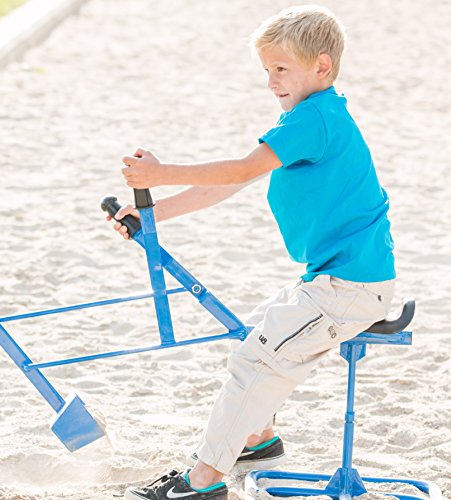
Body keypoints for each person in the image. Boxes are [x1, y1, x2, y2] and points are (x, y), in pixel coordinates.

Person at [109, 5, 396, 500]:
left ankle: (202, 483)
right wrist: (152, 215)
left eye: (281, 68)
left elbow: (241, 170)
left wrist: (161, 173)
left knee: (257, 360)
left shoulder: (316, 118)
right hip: (332, 281)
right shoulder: (308, 117)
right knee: (254, 337)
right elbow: (231, 183)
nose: (271, 81)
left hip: (350, 287)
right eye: (266, 70)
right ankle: (257, 439)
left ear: (321, 66)